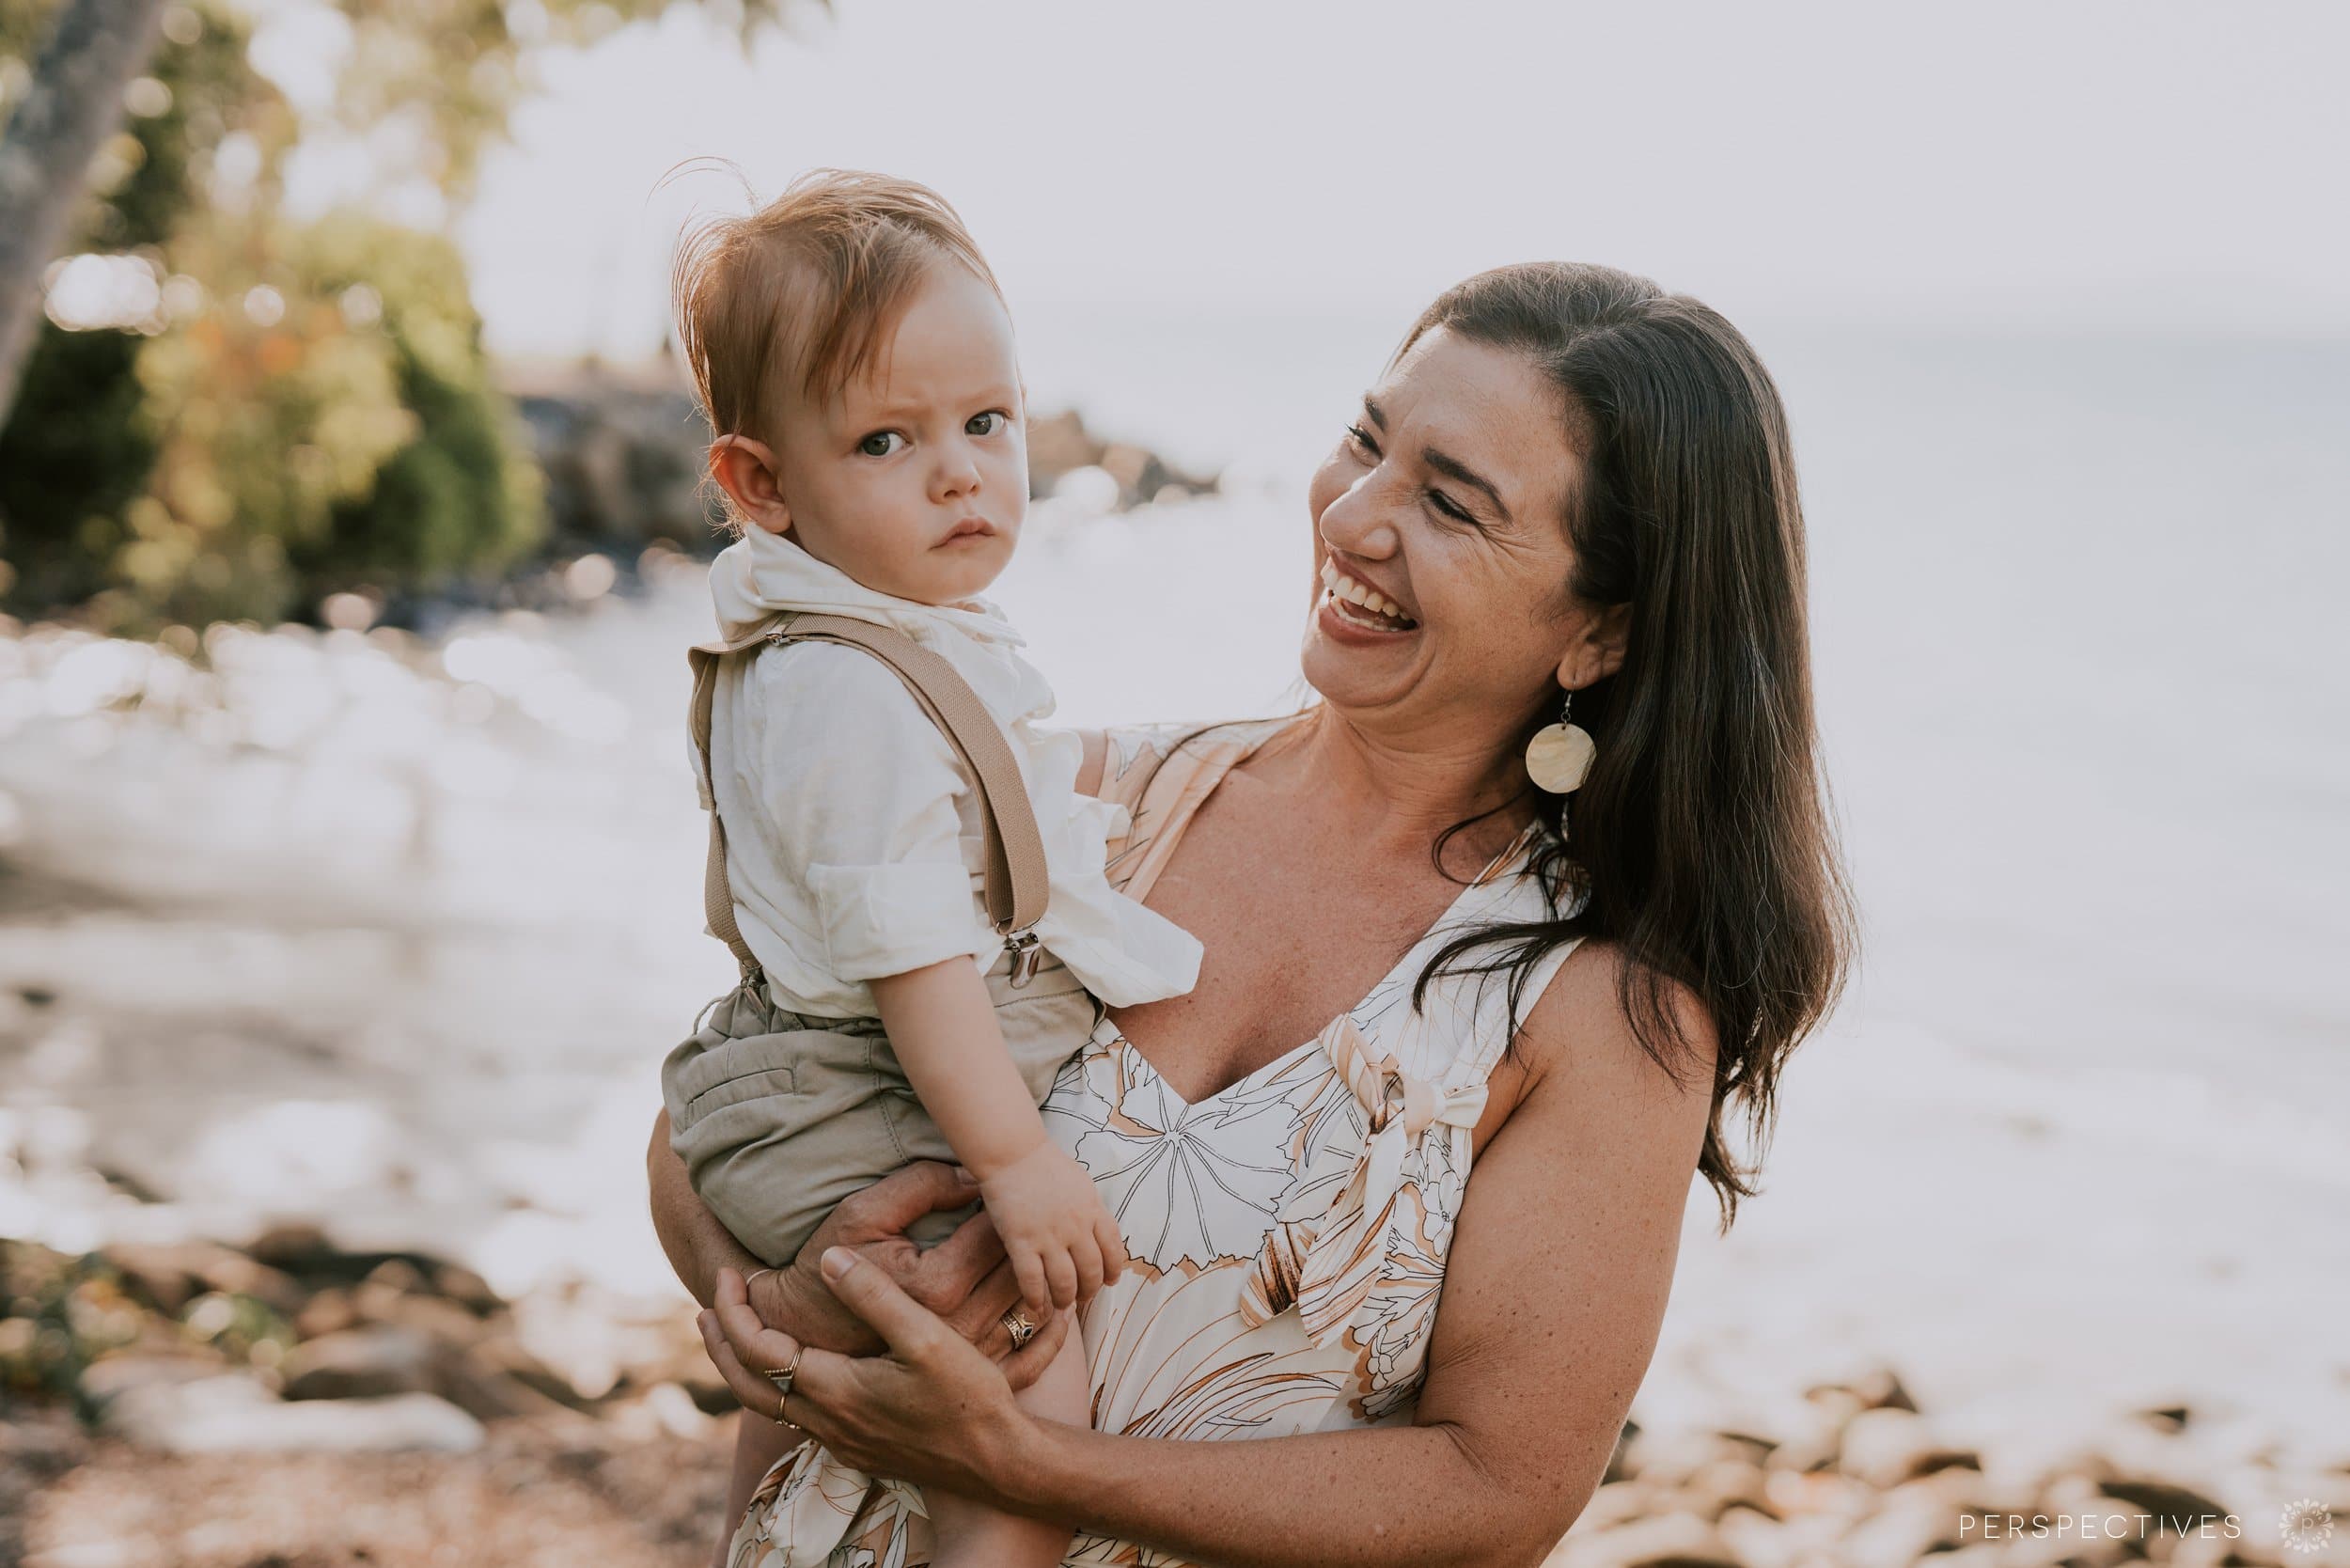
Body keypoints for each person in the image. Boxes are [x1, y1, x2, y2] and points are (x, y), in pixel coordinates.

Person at [651, 260, 1855, 1567]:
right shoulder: (1082, 804)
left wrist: (1022, 1468)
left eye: (1449, 503)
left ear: (1603, 636)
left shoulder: (1598, 1012)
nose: (1355, 516)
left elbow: (1499, 1492)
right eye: (1364, 441)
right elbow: (712, 1110)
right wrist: (789, 1294)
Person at [660, 167, 1204, 1568]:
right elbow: (912, 951)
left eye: (985, 421)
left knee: (835, 1392)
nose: (962, 470)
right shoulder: (843, 689)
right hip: (844, 1084)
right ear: (760, 484)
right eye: (888, 441)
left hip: (819, 1071)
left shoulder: (873, 637)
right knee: (1028, 1382)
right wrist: (1016, 1161)